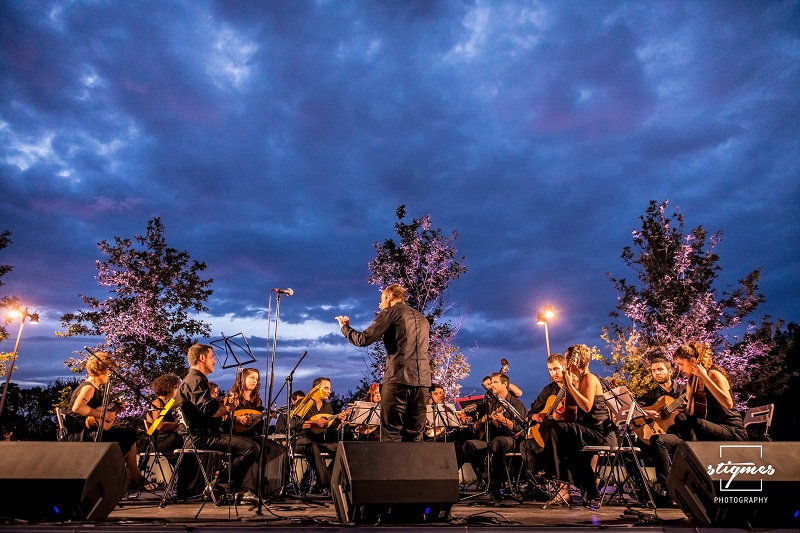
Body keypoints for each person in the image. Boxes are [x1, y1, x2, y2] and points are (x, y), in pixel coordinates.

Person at [651, 341, 748, 497]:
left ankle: (696, 477)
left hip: (731, 430)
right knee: (660, 438)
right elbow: (693, 412)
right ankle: (667, 491)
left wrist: (704, 377)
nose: (679, 369)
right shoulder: (691, 383)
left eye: (681, 364)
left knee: (684, 420)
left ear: (694, 362)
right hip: (706, 431)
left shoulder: (713, 374)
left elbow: (728, 403)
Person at [336, 284, 431, 442]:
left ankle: (393, 467)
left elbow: (363, 339)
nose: (380, 305)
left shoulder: (391, 311)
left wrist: (345, 328)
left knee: (391, 435)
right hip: (423, 384)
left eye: (381, 300)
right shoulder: (422, 318)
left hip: (398, 379)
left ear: (390, 297)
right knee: (415, 437)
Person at [174, 344, 260, 505]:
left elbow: (202, 409)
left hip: (201, 433)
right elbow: (211, 411)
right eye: (212, 357)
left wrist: (220, 403)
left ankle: (229, 488)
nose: (214, 361)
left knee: (246, 445)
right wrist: (228, 407)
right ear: (201, 358)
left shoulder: (193, 380)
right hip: (199, 436)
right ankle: (218, 487)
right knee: (250, 448)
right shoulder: (196, 380)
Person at [539, 344, 616, 506]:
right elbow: (574, 415)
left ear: (576, 360)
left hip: (600, 434)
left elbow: (587, 406)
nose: (566, 362)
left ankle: (553, 471)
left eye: (567, 358)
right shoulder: (579, 380)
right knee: (567, 448)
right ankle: (591, 493)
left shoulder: (589, 378)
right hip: (588, 431)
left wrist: (569, 384)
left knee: (554, 428)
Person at [66, 351, 148, 490]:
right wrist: (102, 414)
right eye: (109, 371)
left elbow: (98, 416)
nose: (110, 375)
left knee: (129, 434)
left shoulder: (95, 388)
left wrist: (114, 411)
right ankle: (126, 476)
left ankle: (132, 475)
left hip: (91, 430)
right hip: (81, 433)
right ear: (103, 370)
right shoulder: (88, 387)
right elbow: (78, 408)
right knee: (128, 435)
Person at [462, 372, 527, 501]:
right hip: (493, 440)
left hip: (512, 440)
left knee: (498, 441)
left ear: (505, 384)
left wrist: (504, 420)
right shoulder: (492, 404)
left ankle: (497, 483)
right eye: (491, 382)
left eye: (495, 382)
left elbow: (522, 430)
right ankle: (487, 480)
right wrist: (480, 425)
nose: (492, 385)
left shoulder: (516, 404)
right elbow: (485, 428)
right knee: (469, 445)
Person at [146, 373, 201, 500]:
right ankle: (185, 492)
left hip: (170, 438)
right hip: (162, 440)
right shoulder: (157, 402)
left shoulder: (170, 403)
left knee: (192, 452)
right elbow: (159, 426)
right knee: (188, 455)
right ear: (170, 387)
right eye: (177, 386)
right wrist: (176, 424)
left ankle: (191, 491)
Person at [291, 377, 348, 494]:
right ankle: (327, 484)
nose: (329, 391)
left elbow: (331, 430)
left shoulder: (327, 406)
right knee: (312, 447)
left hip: (320, 441)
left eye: (330, 388)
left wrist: (339, 422)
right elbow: (293, 424)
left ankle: (325, 480)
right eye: (326, 388)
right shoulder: (304, 404)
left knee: (341, 450)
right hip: (302, 440)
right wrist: (314, 422)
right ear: (317, 389)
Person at [520, 353, 567, 485]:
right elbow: (532, 412)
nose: (553, 373)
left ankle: (555, 477)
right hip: (544, 434)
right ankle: (536, 486)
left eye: (556, 368)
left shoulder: (572, 386)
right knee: (525, 444)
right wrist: (536, 416)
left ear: (565, 367)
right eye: (550, 370)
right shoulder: (548, 390)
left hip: (561, 435)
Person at [224, 368, 264, 438]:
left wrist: (269, 417)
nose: (255, 381)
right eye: (252, 377)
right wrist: (238, 419)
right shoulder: (232, 397)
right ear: (242, 379)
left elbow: (258, 425)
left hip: (253, 435)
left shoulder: (257, 401)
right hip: (235, 436)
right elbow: (223, 418)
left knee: (278, 448)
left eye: (256, 379)